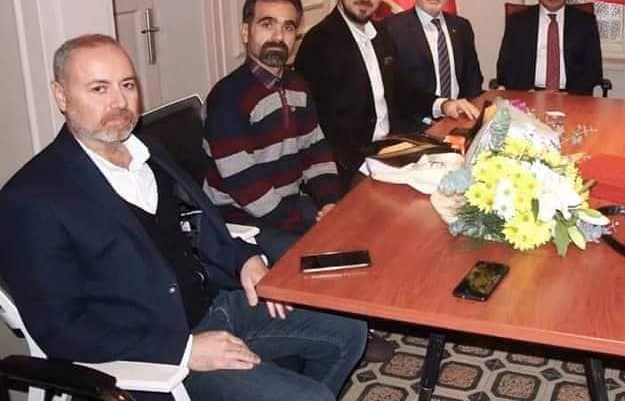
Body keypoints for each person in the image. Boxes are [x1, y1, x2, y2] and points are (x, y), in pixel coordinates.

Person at [0, 35, 367, 401]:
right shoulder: (32, 198)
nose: (119, 102)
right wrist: (186, 351)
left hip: (212, 308)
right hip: (155, 357)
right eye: (99, 88)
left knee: (348, 329)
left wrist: (244, 259)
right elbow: (60, 330)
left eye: (127, 85)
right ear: (61, 96)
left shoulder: (147, 152)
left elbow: (195, 223)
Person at [294, 0, 479, 186]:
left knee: (462, 176)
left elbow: (401, 90)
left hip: (389, 149)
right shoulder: (319, 42)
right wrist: (364, 168)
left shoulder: (380, 33)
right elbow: (312, 125)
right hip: (348, 166)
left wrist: (443, 105)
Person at [202, 0, 341, 263]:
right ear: (246, 32)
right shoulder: (228, 98)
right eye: (267, 24)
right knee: (317, 262)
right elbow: (246, 186)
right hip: (240, 220)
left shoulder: (297, 86)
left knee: (353, 236)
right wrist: (304, 225)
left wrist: (329, 202)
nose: (278, 36)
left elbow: (315, 151)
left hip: (288, 205)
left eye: (288, 27)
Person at [381, 0, 483, 124]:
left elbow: (473, 80)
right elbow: (395, 88)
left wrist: (468, 117)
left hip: (459, 120)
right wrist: (441, 106)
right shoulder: (392, 29)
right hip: (416, 125)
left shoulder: (462, 27)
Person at [495, 0, 603, 95]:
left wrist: (569, 94)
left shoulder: (585, 22)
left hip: (571, 96)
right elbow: (505, 69)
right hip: (529, 95)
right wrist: (529, 92)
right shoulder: (518, 22)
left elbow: (593, 70)